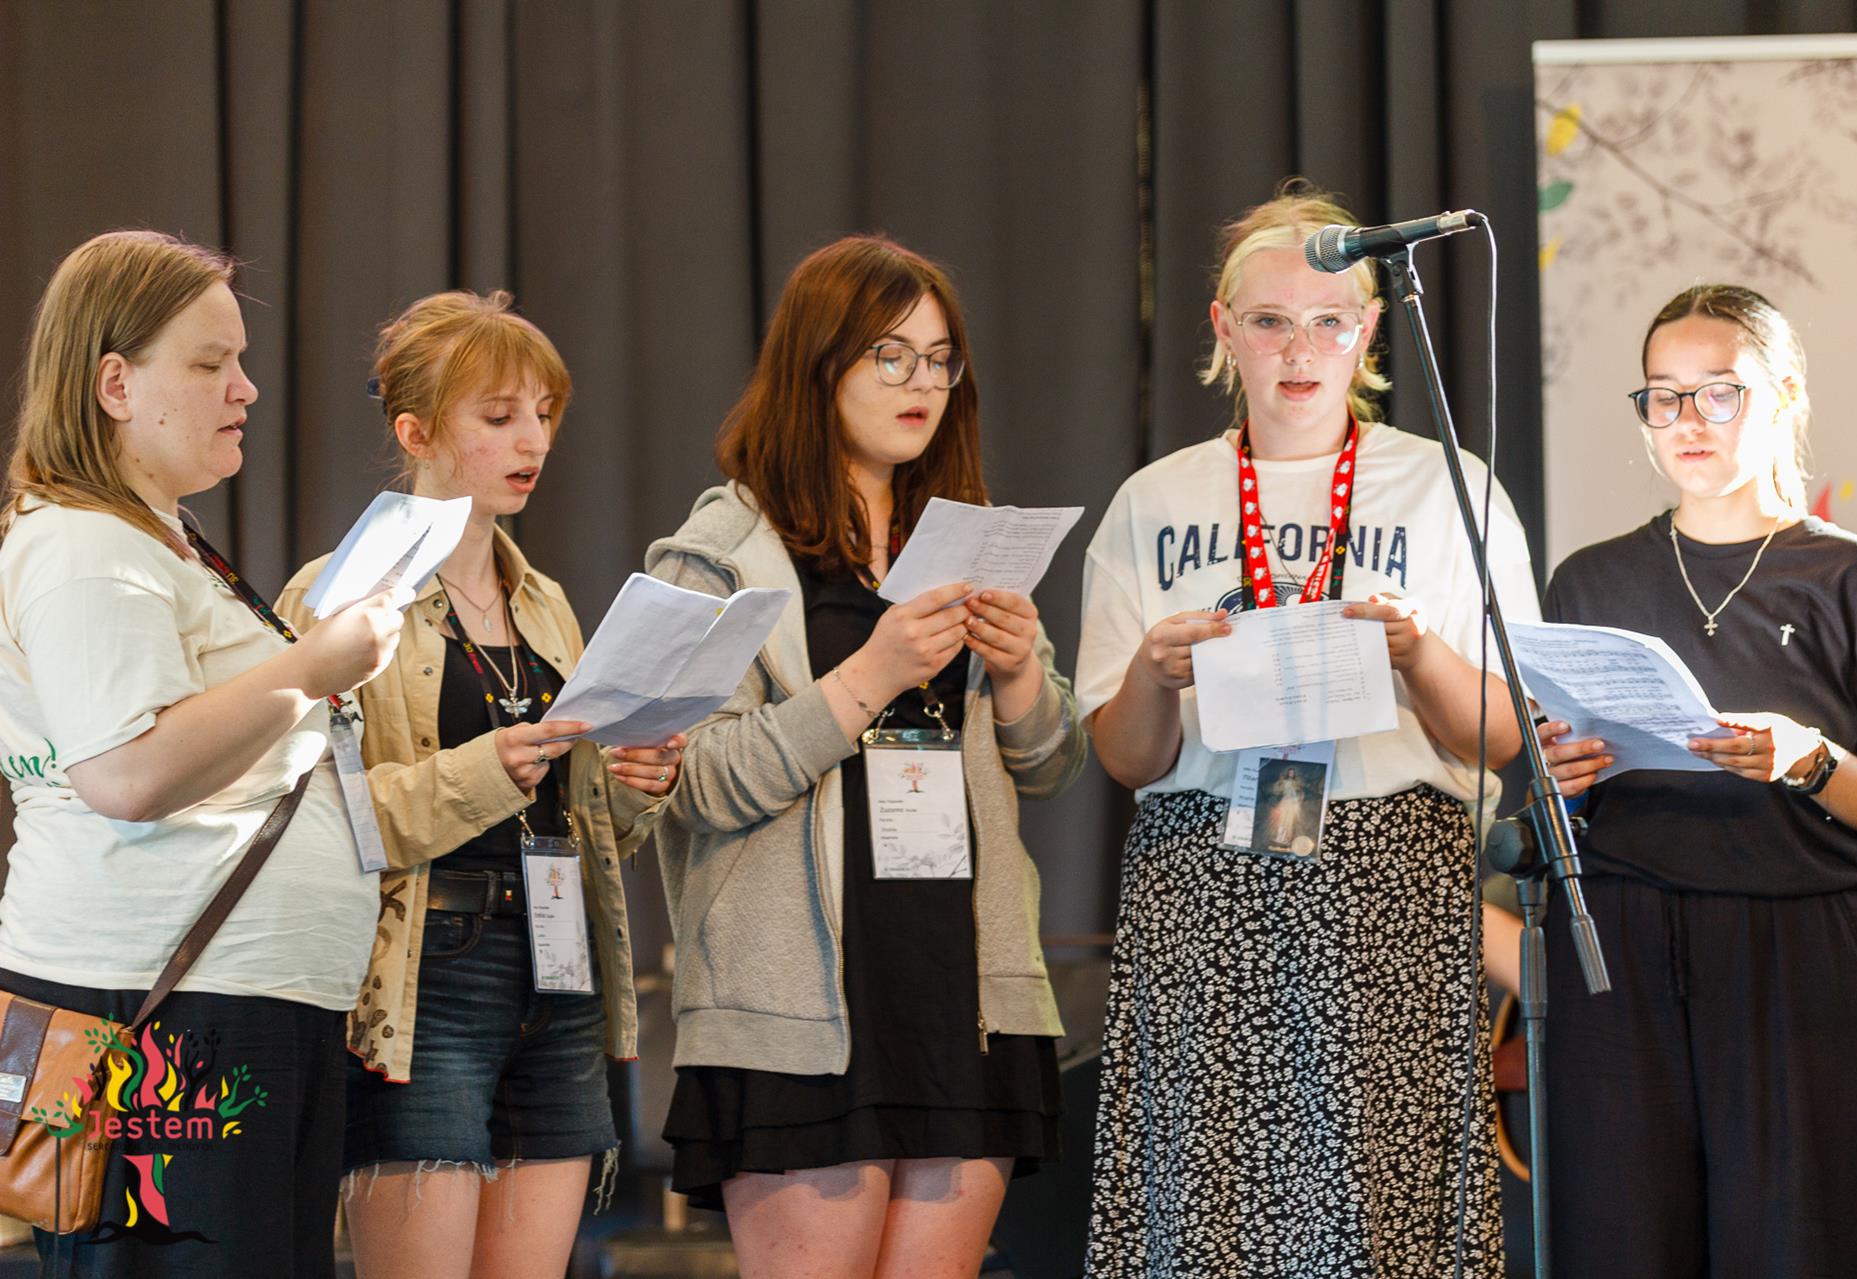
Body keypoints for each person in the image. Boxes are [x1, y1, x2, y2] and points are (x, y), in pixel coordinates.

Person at [1076, 180, 1538, 1277]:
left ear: (1369, 329)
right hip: (1204, 871)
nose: (1299, 347)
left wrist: (1418, 652)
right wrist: (1153, 674)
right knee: (1211, 1209)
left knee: (1380, 1204)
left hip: (1393, 874)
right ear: (1223, 328)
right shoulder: (1155, 499)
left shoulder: (1445, 487)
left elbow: (1504, 737)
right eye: (1271, 319)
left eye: (1329, 320)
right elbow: (1126, 757)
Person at [646, 234, 1085, 1279]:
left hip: (961, 991)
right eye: (891, 356)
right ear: (818, 363)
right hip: (799, 1008)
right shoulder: (720, 552)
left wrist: (1019, 675)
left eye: (940, 359)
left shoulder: (966, 538)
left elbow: (1050, 765)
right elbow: (693, 780)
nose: (921, 383)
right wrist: (869, 675)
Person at [0, 229, 404, 1275]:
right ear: (115, 384)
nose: (246, 388)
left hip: (228, 1003)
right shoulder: (84, 544)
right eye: (211, 362)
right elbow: (127, 774)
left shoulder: (153, 537)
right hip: (164, 1008)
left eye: (240, 361)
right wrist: (314, 667)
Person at [274, 291, 684, 1279]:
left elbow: (587, 820)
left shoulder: (546, 603)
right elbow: (317, 819)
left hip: (559, 962)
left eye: (543, 412)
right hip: (428, 971)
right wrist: (480, 773)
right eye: (498, 416)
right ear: (415, 432)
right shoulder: (341, 595)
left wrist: (637, 781)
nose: (531, 439)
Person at [1538, 283, 1857, 1277]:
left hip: (1796, 944)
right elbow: (1547, 796)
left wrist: (1812, 760)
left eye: (1719, 392)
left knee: (1796, 1242)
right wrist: (1560, 776)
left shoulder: (1852, 578)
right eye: (1662, 395)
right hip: (1619, 943)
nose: (1686, 421)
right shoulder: (1587, 580)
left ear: (1783, 394)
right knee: (1622, 1243)